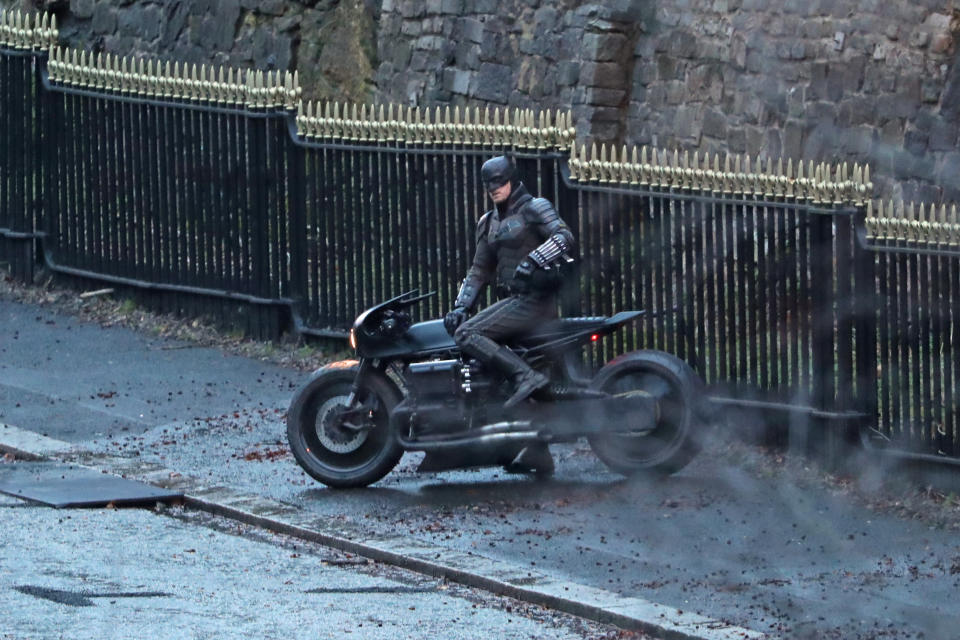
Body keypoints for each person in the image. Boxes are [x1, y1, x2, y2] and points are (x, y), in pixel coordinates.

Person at [443, 155, 576, 472]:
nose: (493, 188)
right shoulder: (488, 222)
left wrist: (535, 259)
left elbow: (564, 237)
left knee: (468, 334)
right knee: (495, 375)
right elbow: (479, 270)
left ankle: (525, 376)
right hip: (513, 303)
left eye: (499, 181)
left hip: (535, 301)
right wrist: (462, 305)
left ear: (512, 180)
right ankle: (538, 453)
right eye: (488, 184)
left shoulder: (535, 207)